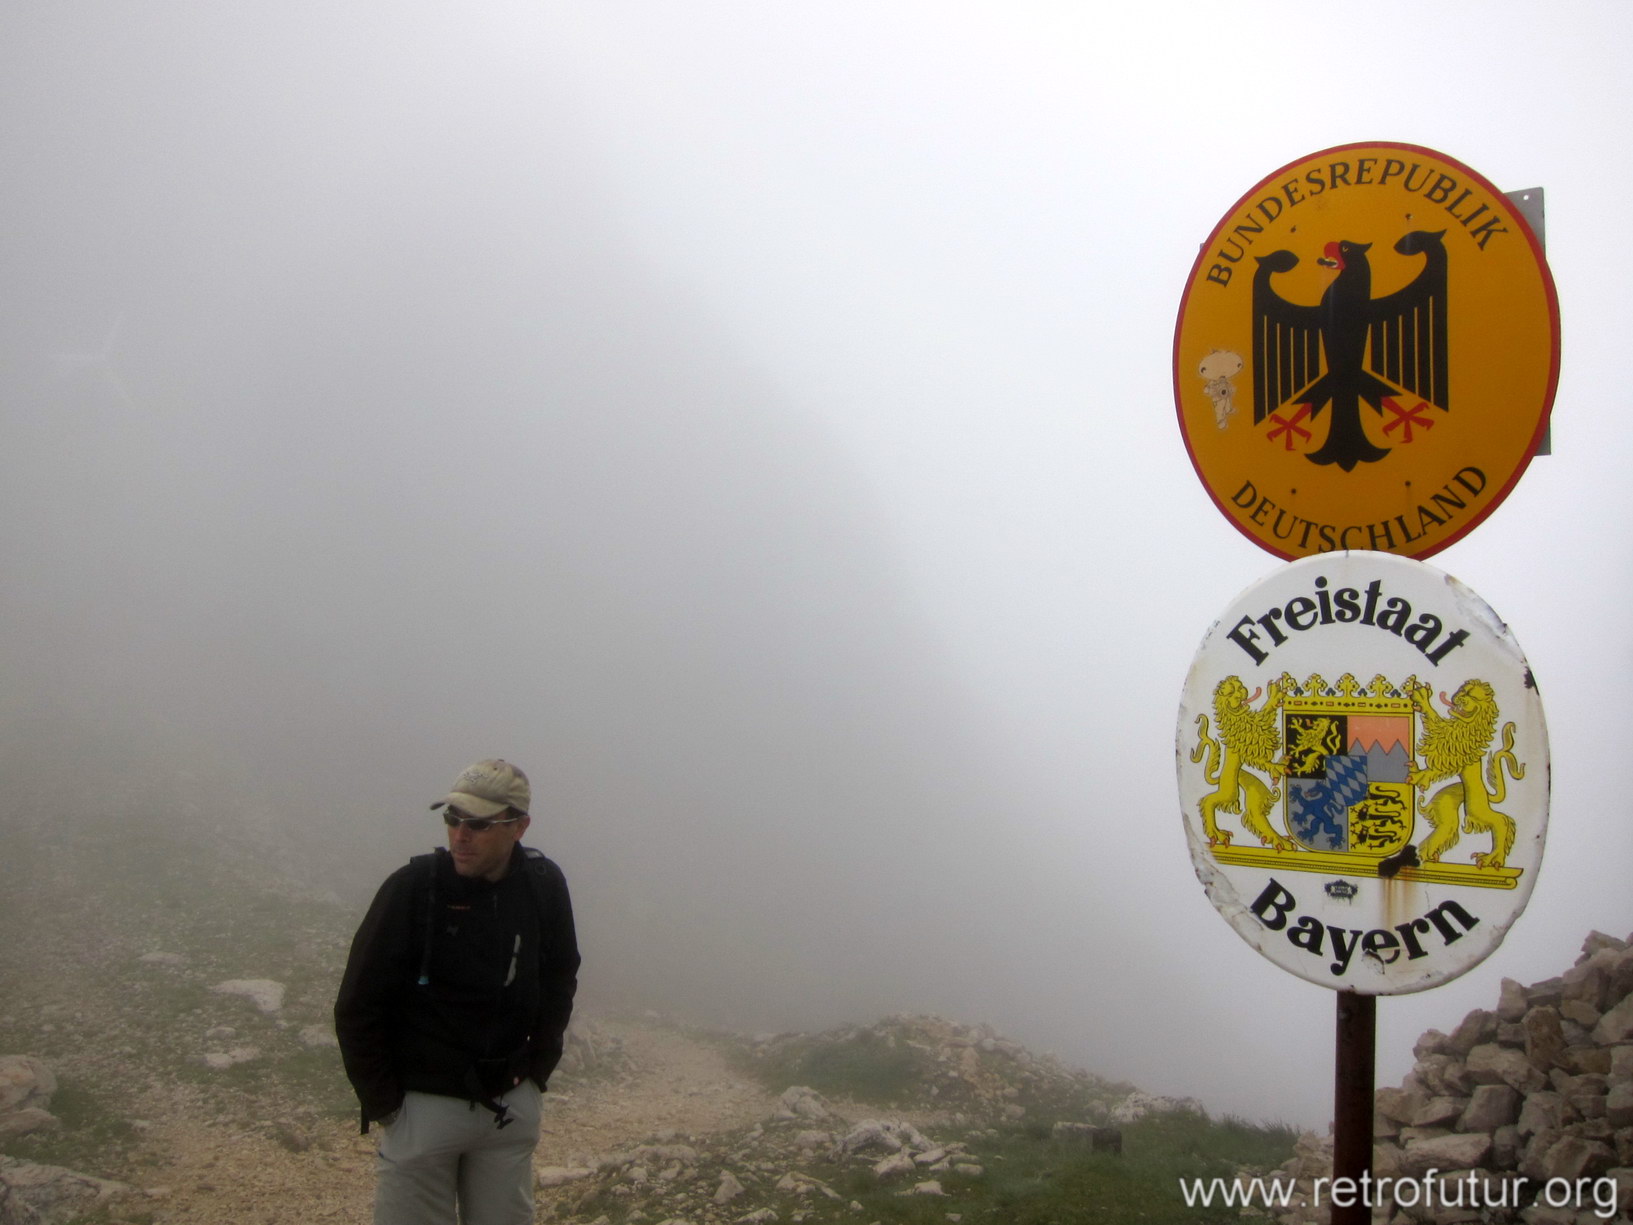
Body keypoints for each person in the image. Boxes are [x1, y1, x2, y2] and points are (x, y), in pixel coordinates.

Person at [335, 758, 579, 1225]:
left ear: (519, 827)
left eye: (479, 824)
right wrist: (387, 1105)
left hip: (509, 1107)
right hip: (422, 1109)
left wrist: (537, 1071)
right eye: (452, 819)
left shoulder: (543, 886)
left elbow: (560, 975)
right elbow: (357, 1003)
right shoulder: (412, 888)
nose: (460, 835)